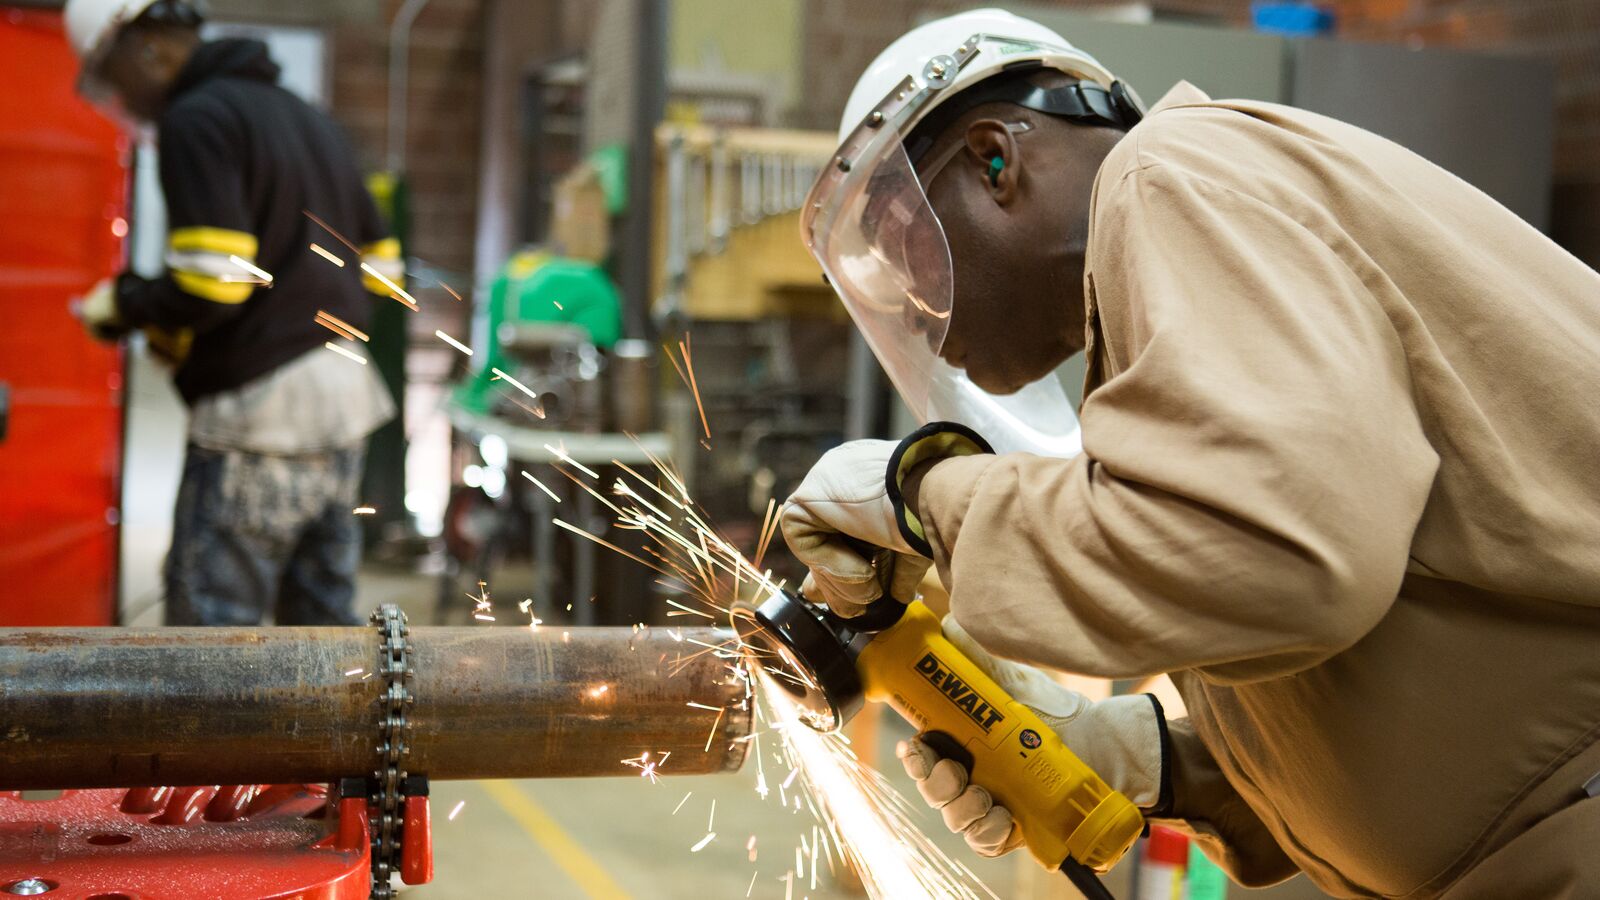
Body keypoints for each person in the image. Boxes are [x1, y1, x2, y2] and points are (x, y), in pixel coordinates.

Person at [781, 9, 1600, 898]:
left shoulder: (1172, 174)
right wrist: (1156, 761)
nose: (925, 328)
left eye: (913, 263)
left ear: (993, 160)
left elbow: (1285, 556)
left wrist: (922, 497)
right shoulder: (1152, 324)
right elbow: (1407, 675)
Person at [66, 0, 400, 626]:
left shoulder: (197, 119)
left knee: (213, 657)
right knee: (325, 642)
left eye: (111, 74)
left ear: (144, 48)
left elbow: (214, 283)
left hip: (259, 414)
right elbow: (385, 271)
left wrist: (125, 303)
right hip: (346, 399)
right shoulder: (310, 117)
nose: (118, 96)